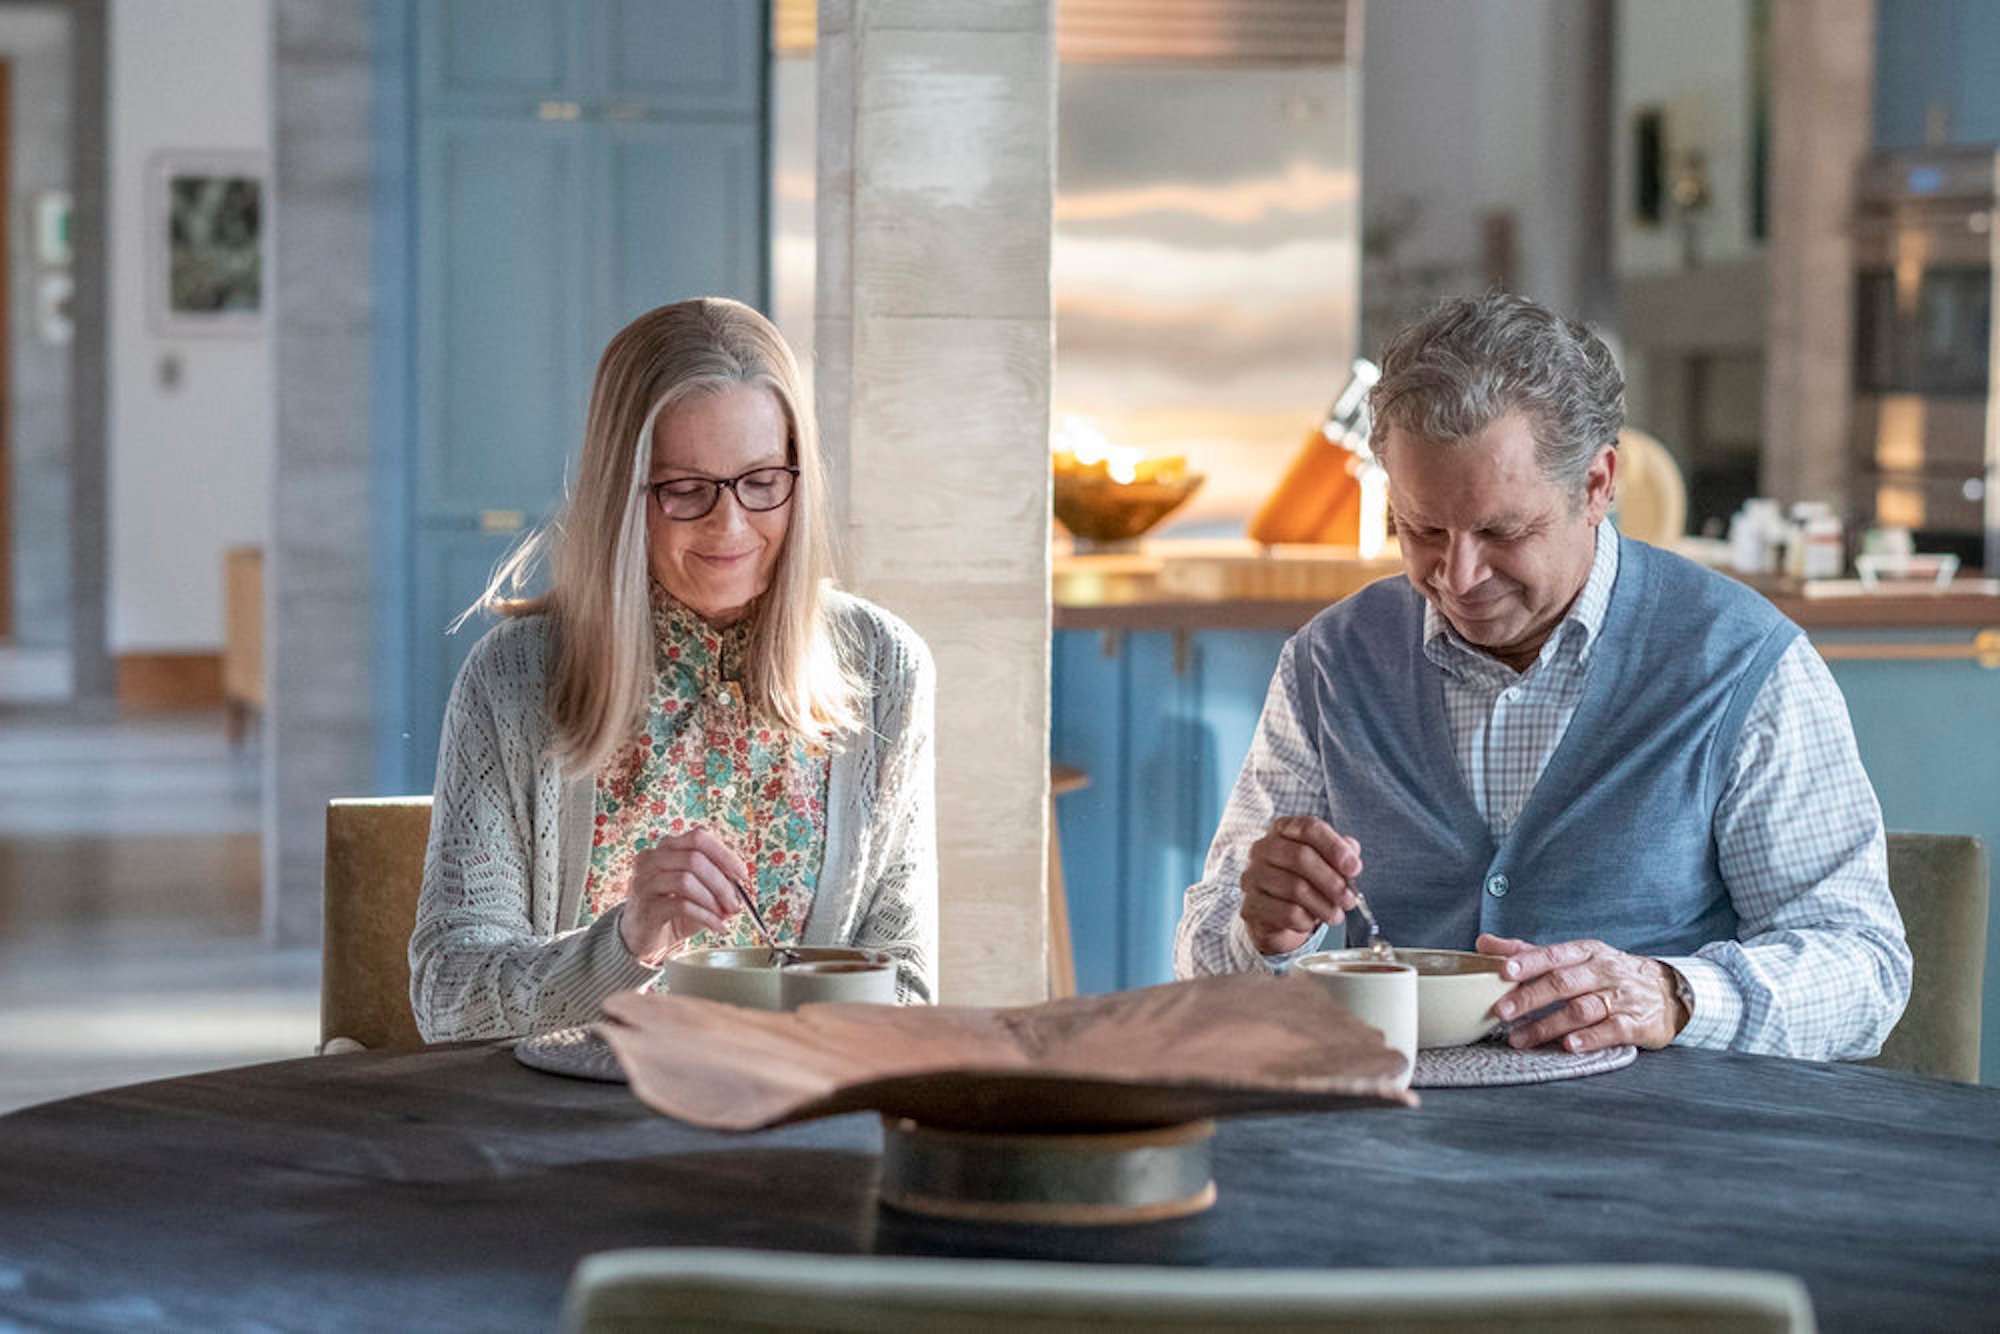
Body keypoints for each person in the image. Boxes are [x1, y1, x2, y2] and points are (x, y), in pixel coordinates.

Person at [1176, 293, 1909, 1062]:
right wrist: (1258, 933)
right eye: (1421, 529)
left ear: (1597, 485)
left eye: (1502, 530)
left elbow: (1865, 972)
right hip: (1389, 1143)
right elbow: (1208, 953)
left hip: (1657, 1149)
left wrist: (1673, 995)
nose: (1457, 576)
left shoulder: (1740, 664)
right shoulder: (1332, 661)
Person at [410, 298, 937, 1041]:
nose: (730, 527)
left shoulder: (885, 670)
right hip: (567, 1130)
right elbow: (450, 1000)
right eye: (685, 490)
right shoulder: (516, 678)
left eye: (761, 482)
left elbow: (908, 988)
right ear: (623, 497)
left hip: (794, 1129)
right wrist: (628, 942)